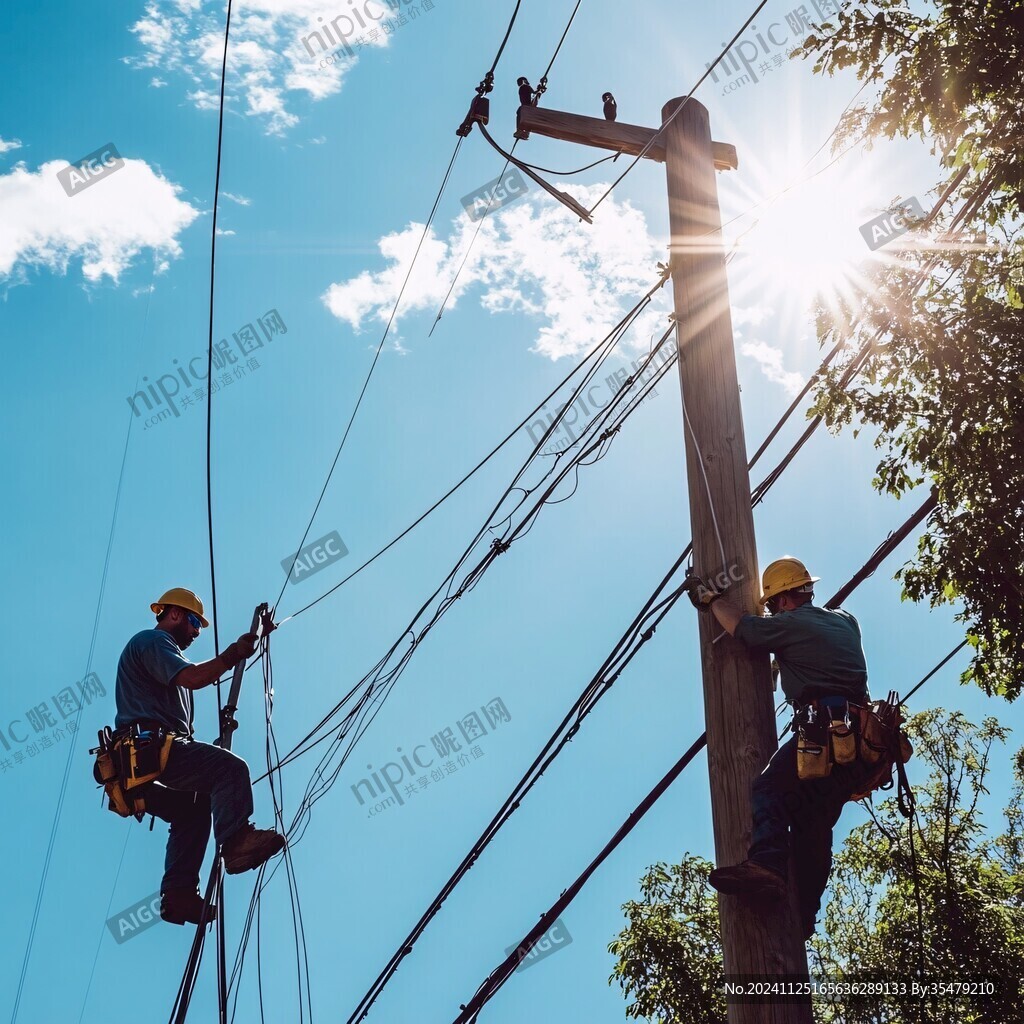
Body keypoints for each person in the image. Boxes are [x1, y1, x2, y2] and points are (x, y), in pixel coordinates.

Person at [687, 557, 872, 940]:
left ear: (785, 599)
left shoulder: (791, 624)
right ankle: (804, 915)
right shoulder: (845, 621)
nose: (772, 610)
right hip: (856, 748)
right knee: (813, 826)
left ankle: (767, 865)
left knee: (769, 788)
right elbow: (815, 654)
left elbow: (746, 629)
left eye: (772, 604)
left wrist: (710, 600)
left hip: (822, 735)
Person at [114, 587, 286, 926]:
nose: (195, 632)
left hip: (142, 764)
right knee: (230, 769)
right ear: (174, 614)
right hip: (148, 751)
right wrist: (233, 655)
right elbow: (195, 677)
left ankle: (177, 897)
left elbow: (182, 714)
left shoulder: (163, 659)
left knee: (193, 810)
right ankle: (236, 844)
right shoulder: (153, 642)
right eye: (194, 622)